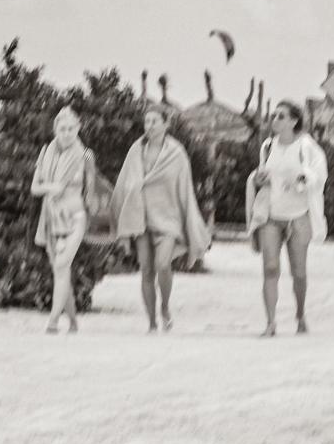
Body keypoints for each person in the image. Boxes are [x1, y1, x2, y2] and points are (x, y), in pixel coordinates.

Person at [113, 103, 209, 333]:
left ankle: (165, 306)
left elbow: (185, 189)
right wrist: (131, 192)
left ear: (166, 124)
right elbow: (124, 182)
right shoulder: (136, 150)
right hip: (141, 216)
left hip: (168, 218)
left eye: (155, 121)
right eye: (147, 121)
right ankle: (152, 322)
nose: (150, 125)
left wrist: (190, 220)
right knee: (146, 269)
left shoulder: (176, 153)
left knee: (163, 264)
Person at [246, 101, 328, 337]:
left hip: (299, 216)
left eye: (281, 116)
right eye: (274, 115)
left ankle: (300, 315)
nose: (275, 119)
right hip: (271, 214)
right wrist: (258, 180)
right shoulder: (267, 146)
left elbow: (319, 174)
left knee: (298, 272)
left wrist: (302, 180)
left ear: (294, 121)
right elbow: (261, 174)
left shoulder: (306, 147)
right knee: (270, 268)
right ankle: (271, 323)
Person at [31, 107, 97, 334]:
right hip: (50, 219)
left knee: (61, 266)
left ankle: (52, 321)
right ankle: (73, 321)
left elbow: (91, 192)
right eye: (62, 129)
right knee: (61, 271)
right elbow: (35, 188)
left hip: (76, 217)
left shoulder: (86, 155)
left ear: (78, 129)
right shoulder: (45, 152)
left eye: (71, 128)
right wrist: (53, 187)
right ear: (55, 129)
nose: (67, 133)